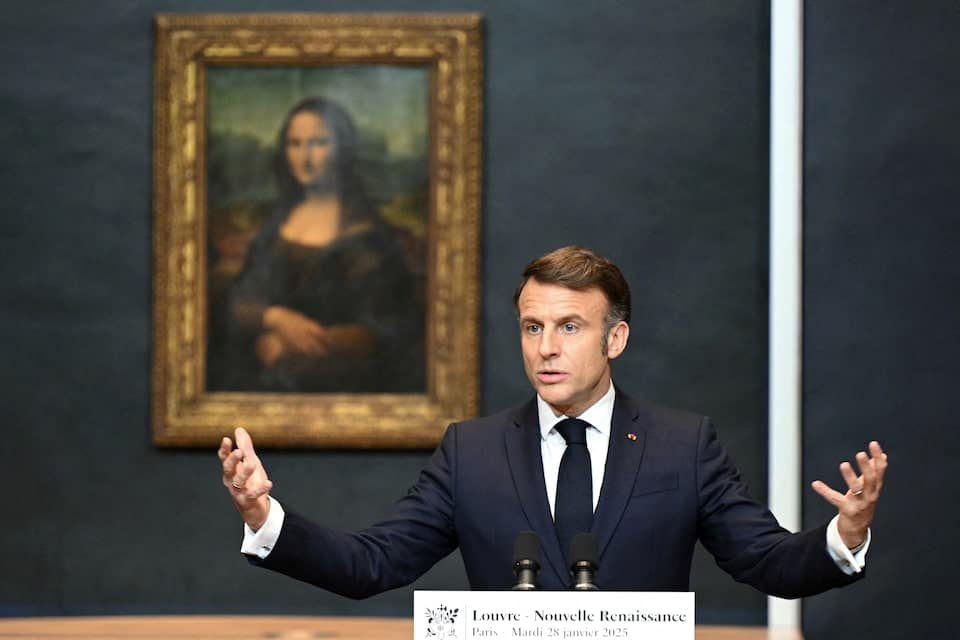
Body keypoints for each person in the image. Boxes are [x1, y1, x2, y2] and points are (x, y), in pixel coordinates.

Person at [218, 246, 887, 597]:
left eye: (570, 327)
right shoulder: (470, 452)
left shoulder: (682, 447)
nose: (546, 347)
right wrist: (263, 517)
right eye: (533, 326)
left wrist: (843, 534)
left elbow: (767, 562)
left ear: (615, 338)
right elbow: (371, 564)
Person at [216, 96, 423, 393]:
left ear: (342, 150)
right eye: (295, 144)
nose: (305, 157)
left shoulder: (368, 236)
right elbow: (240, 299)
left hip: (344, 384)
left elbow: (388, 330)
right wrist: (275, 318)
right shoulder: (276, 226)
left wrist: (297, 346)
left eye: (319, 143)